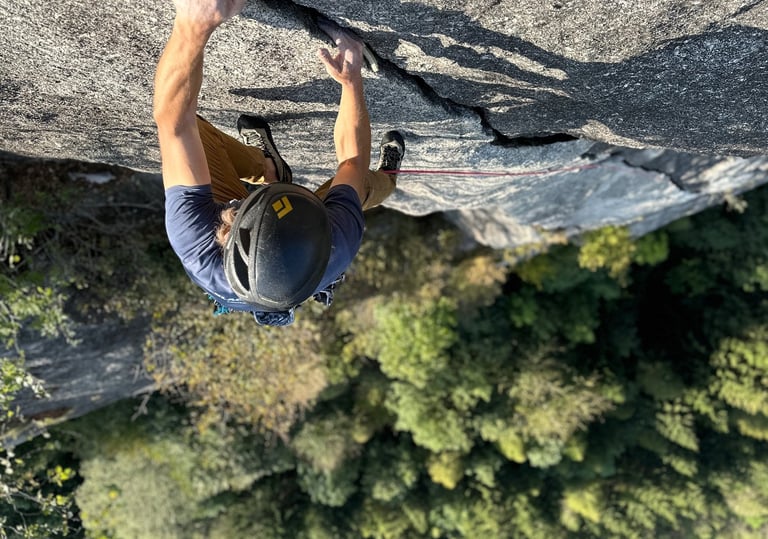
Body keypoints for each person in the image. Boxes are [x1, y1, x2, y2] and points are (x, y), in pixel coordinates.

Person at [153, 0, 405, 326]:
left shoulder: (197, 241)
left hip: (248, 246)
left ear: (227, 230)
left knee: (193, 130)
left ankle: (267, 169)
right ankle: (386, 177)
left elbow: (174, 122)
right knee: (363, 183)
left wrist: (193, 25)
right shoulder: (336, 246)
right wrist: (351, 82)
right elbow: (353, 163)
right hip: (303, 246)